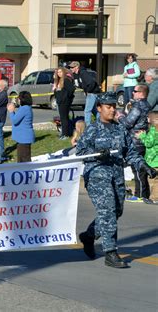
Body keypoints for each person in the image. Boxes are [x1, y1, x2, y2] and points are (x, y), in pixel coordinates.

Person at [76, 93, 157, 268]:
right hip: (97, 176)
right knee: (108, 211)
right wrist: (98, 155)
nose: (112, 110)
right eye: (108, 106)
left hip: (116, 175)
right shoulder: (92, 130)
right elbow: (80, 153)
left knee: (117, 211)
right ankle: (111, 252)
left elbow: (131, 153)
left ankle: (89, 236)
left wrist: (144, 166)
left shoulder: (120, 129)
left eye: (114, 106)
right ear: (99, 108)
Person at [117, 85, 152, 203]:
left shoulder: (138, 106)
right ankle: (144, 194)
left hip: (135, 141)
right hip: (142, 139)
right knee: (140, 169)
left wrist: (120, 116)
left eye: (135, 91)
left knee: (137, 169)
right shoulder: (147, 105)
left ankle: (140, 195)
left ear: (142, 93)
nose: (133, 93)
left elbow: (128, 123)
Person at [69, 61, 101, 125]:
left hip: (92, 93)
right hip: (90, 93)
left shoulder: (83, 73)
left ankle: (87, 127)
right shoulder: (76, 75)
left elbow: (92, 82)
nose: (71, 69)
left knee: (87, 111)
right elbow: (81, 84)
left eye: (72, 67)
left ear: (77, 67)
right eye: (70, 67)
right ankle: (101, 122)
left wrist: (88, 91)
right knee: (93, 110)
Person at [7, 91, 35, 162]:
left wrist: (11, 111)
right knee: (21, 160)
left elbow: (14, 120)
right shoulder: (25, 108)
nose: (18, 100)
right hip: (23, 139)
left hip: (24, 139)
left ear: (23, 99)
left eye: (19, 98)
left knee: (24, 161)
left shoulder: (24, 108)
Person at [54, 67, 76, 139]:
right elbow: (57, 91)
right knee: (63, 118)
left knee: (64, 118)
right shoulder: (58, 81)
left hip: (64, 102)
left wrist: (66, 97)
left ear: (63, 72)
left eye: (60, 72)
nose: (59, 74)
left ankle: (65, 135)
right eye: (58, 72)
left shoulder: (66, 80)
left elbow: (72, 89)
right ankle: (64, 133)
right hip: (60, 102)